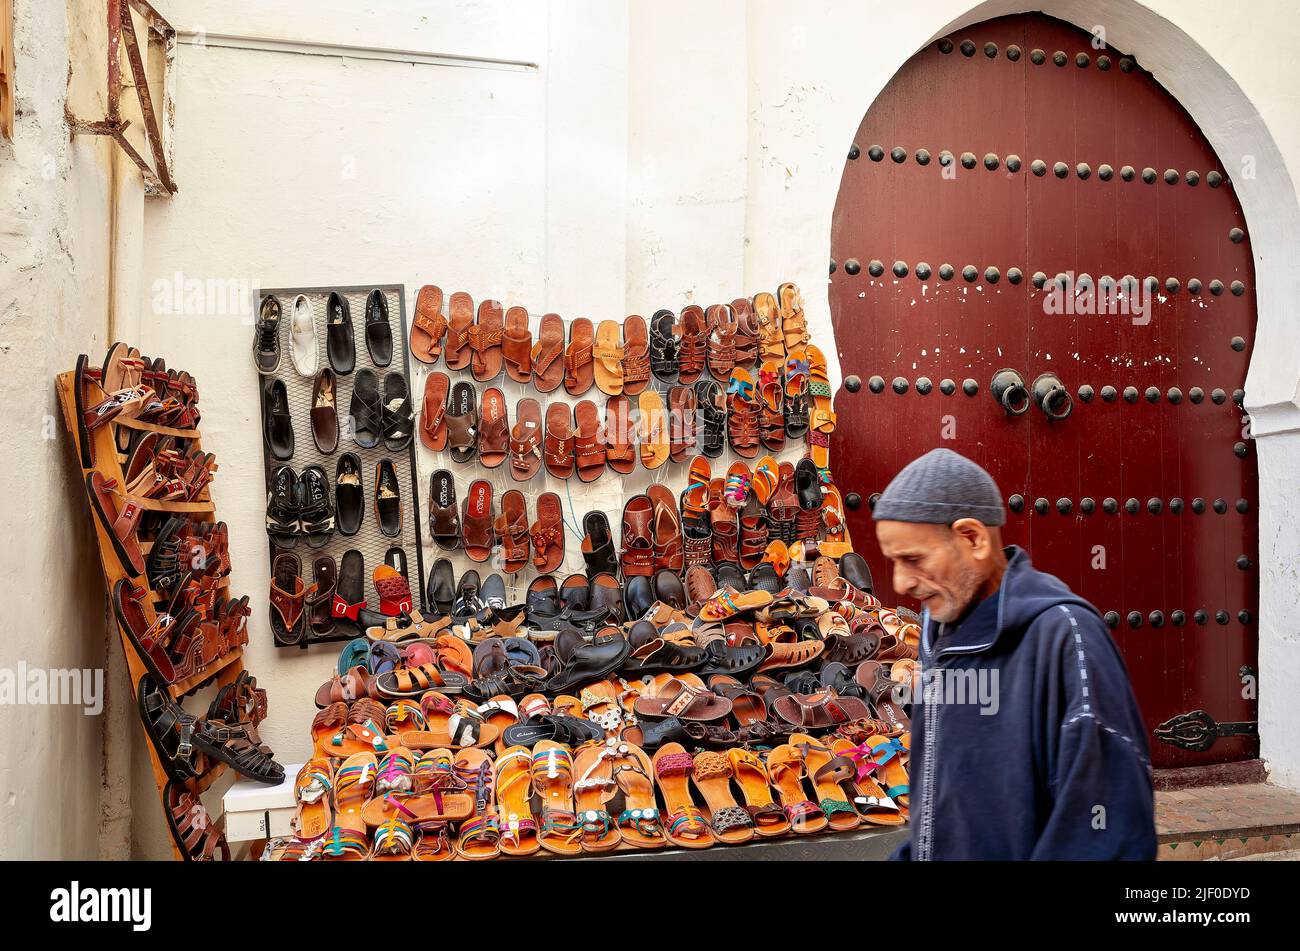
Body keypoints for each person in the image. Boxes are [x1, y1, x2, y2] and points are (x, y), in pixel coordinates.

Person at [872, 448, 1155, 860]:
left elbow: (1105, 833)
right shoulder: (942, 628)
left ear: (973, 538)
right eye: (893, 561)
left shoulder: (1066, 638)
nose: (900, 582)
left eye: (913, 559)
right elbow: (945, 799)